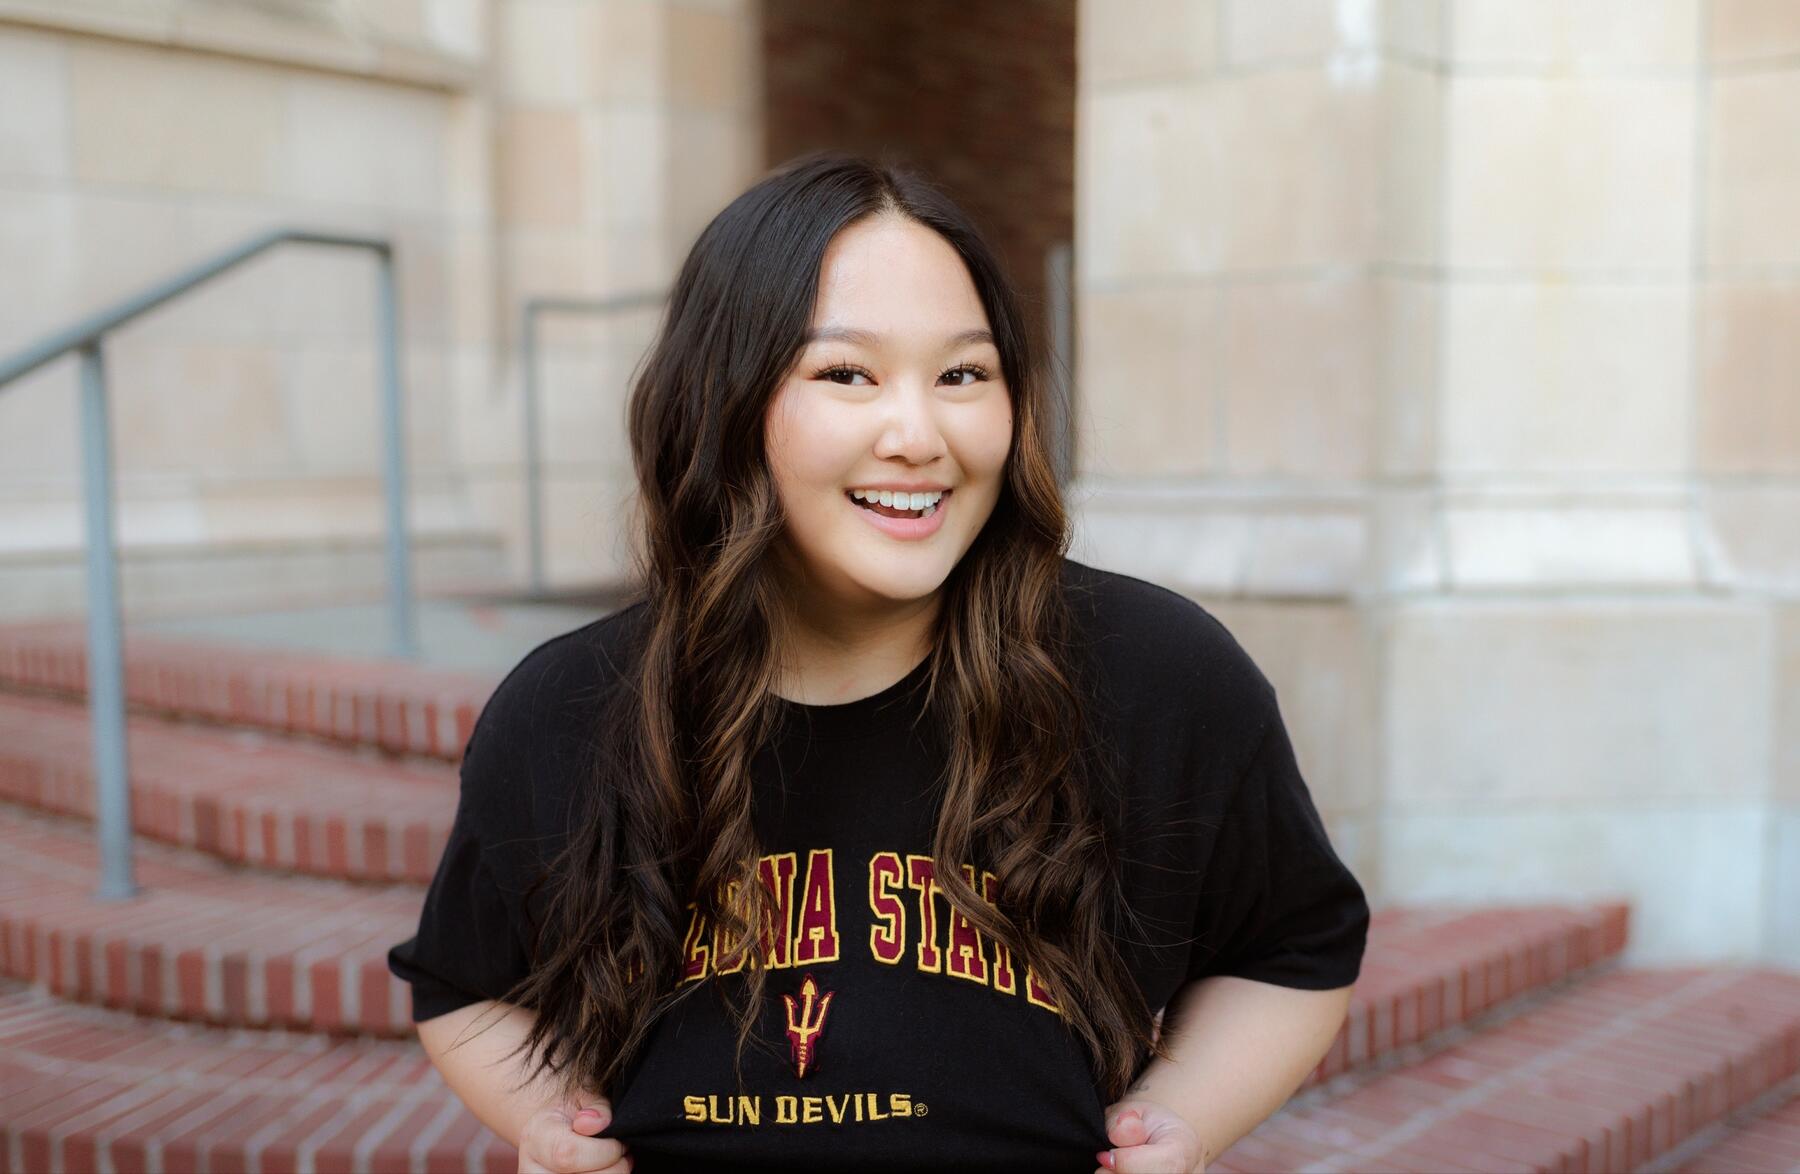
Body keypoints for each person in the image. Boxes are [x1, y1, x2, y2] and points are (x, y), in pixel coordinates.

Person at [387, 149, 1369, 1174]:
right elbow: (464, 986)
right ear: (723, 403)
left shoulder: (1157, 678)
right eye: (846, 374)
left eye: (963, 374)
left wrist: (1182, 1116)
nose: (919, 432)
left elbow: (1293, 949)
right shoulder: (567, 710)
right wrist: (552, 1123)